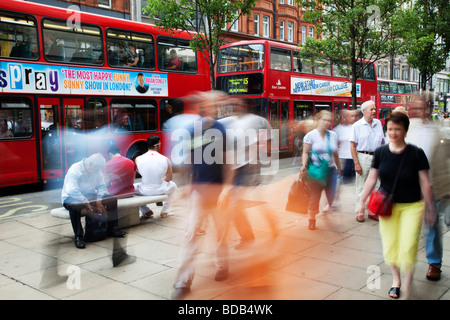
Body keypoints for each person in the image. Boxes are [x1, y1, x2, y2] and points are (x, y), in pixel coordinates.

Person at [357, 112, 435, 299]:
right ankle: (396, 280)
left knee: (408, 246)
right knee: (390, 247)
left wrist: (430, 208)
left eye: (397, 129)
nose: (393, 132)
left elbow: (425, 183)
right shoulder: (381, 152)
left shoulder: (416, 153)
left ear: (405, 130)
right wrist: (361, 201)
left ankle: (407, 284)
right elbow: (372, 178)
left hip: (412, 206)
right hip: (387, 207)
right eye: (390, 129)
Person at [171, 91, 232, 300]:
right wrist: (187, 185)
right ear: (201, 107)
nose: (210, 108)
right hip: (199, 191)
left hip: (218, 190)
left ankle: (222, 265)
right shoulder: (192, 130)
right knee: (191, 234)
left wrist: (227, 188)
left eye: (214, 105)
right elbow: (187, 159)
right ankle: (183, 281)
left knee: (221, 232)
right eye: (207, 104)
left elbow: (228, 160)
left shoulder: (221, 129)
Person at [407, 97, 449, 281]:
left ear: (429, 108)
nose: (418, 111)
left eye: (422, 107)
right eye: (415, 108)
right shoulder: (409, 131)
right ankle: (425, 262)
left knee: (437, 222)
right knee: (422, 224)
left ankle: (434, 263)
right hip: (415, 185)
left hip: (437, 184)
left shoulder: (440, 130)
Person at [61, 153, 125, 249]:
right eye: (95, 169)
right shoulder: (75, 170)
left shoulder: (97, 170)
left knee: (111, 199)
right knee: (75, 205)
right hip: (72, 197)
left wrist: (99, 200)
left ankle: (112, 229)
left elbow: (101, 186)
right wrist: (86, 202)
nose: (96, 171)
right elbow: (72, 190)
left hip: (90, 195)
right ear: (89, 164)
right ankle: (78, 236)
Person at [300, 110, 341, 230]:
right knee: (314, 197)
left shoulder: (333, 135)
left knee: (332, 195)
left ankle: (330, 210)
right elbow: (305, 153)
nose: (327, 122)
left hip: (331, 170)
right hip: (316, 171)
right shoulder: (310, 136)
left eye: (329, 120)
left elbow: (335, 153)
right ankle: (312, 219)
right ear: (318, 120)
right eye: (324, 119)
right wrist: (304, 165)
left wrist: (339, 167)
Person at [350, 100, 384, 222]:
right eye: (371, 109)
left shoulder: (378, 123)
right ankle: (359, 212)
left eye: (375, 109)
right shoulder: (356, 126)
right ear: (364, 111)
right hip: (363, 156)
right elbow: (352, 145)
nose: (374, 111)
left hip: (377, 156)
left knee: (376, 186)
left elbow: (382, 142)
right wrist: (356, 163)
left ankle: (372, 211)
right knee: (361, 186)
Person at [134, 136, 177, 218]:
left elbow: (141, 172)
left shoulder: (138, 159)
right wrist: (160, 179)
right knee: (173, 185)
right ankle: (164, 211)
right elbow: (169, 178)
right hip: (160, 189)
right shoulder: (166, 159)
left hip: (144, 190)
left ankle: (146, 211)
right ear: (156, 146)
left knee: (132, 188)